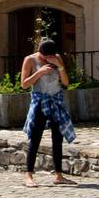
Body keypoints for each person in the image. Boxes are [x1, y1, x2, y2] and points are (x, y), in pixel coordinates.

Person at [21, 39, 77, 187]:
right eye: (45, 57)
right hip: (41, 101)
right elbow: (24, 84)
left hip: (56, 100)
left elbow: (65, 83)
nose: (47, 59)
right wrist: (39, 72)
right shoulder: (30, 60)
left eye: (50, 56)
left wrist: (60, 67)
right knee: (35, 137)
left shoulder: (56, 58)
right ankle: (29, 175)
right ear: (40, 52)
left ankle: (59, 175)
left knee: (57, 138)